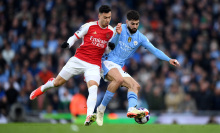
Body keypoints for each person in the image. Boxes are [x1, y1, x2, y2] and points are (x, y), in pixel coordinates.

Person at [29, 5, 120, 126]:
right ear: (99, 16)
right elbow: (75, 36)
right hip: (78, 60)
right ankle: (43, 88)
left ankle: (89, 116)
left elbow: (107, 50)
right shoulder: (89, 26)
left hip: (94, 64)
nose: (107, 20)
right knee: (57, 83)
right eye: (105, 17)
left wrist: (111, 46)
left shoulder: (111, 31)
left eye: (109, 17)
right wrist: (68, 44)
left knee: (93, 88)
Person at [96, 10, 180, 126]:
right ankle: (101, 109)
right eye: (132, 24)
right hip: (106, 61)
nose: (135, 26)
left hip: (118, 67)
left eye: (137, 24)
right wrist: (118, 34)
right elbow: (110, 46)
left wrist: (169, 59)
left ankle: (131, 109)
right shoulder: (120, 28)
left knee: (135, 86)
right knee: (119, 79)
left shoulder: (140, 38)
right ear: (127, 22)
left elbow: (154, 50)